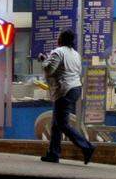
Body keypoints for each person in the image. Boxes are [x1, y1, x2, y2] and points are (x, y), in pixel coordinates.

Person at [38, 30, 95, 164]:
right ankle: (53, 154)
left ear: (61, 39)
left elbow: (49, 70)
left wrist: (44, 60)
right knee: (56, 124)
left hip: (65, 90)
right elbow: (75, 71)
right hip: (75, 88)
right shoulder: (75, 54)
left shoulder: (58, 52)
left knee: (62, 124)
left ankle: (87, 147)